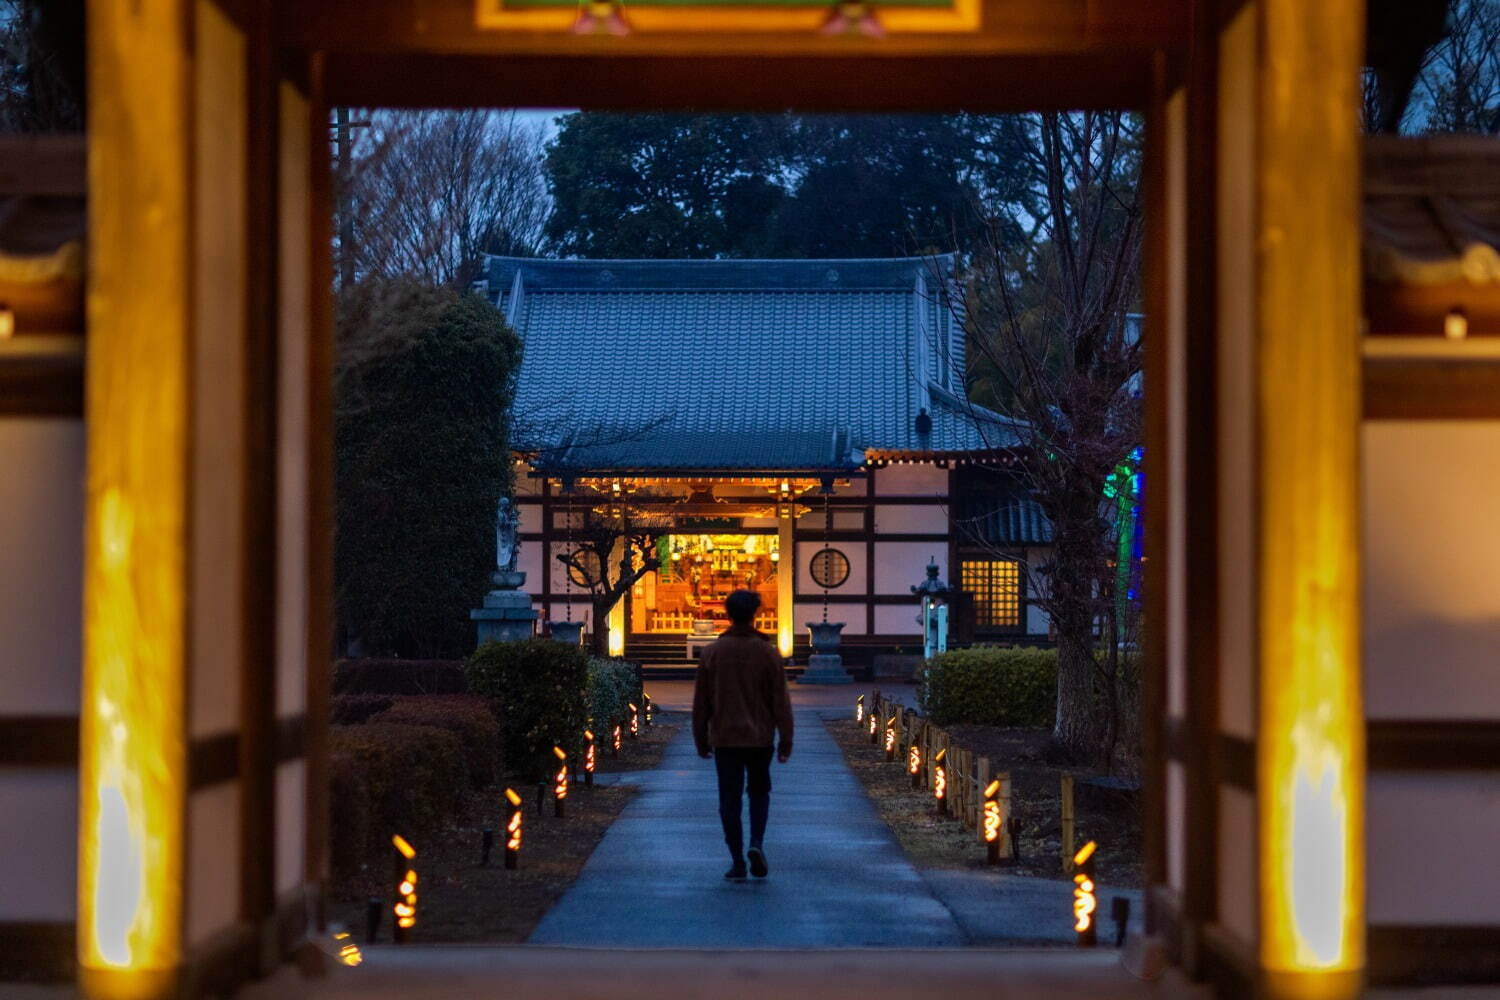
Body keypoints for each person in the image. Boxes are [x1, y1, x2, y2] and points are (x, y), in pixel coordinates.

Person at [692, 589, 794, 881]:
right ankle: (756, 843)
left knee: (729, 797)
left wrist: (700, 736)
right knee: (759, 792)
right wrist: (786, 738)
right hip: (760, 736)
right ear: (756, 614)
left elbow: (702, 702)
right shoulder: (768, 652)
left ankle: (737, 860)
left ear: (727, 614)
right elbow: (780, 701)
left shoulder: (713, 652)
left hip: (724, 736)